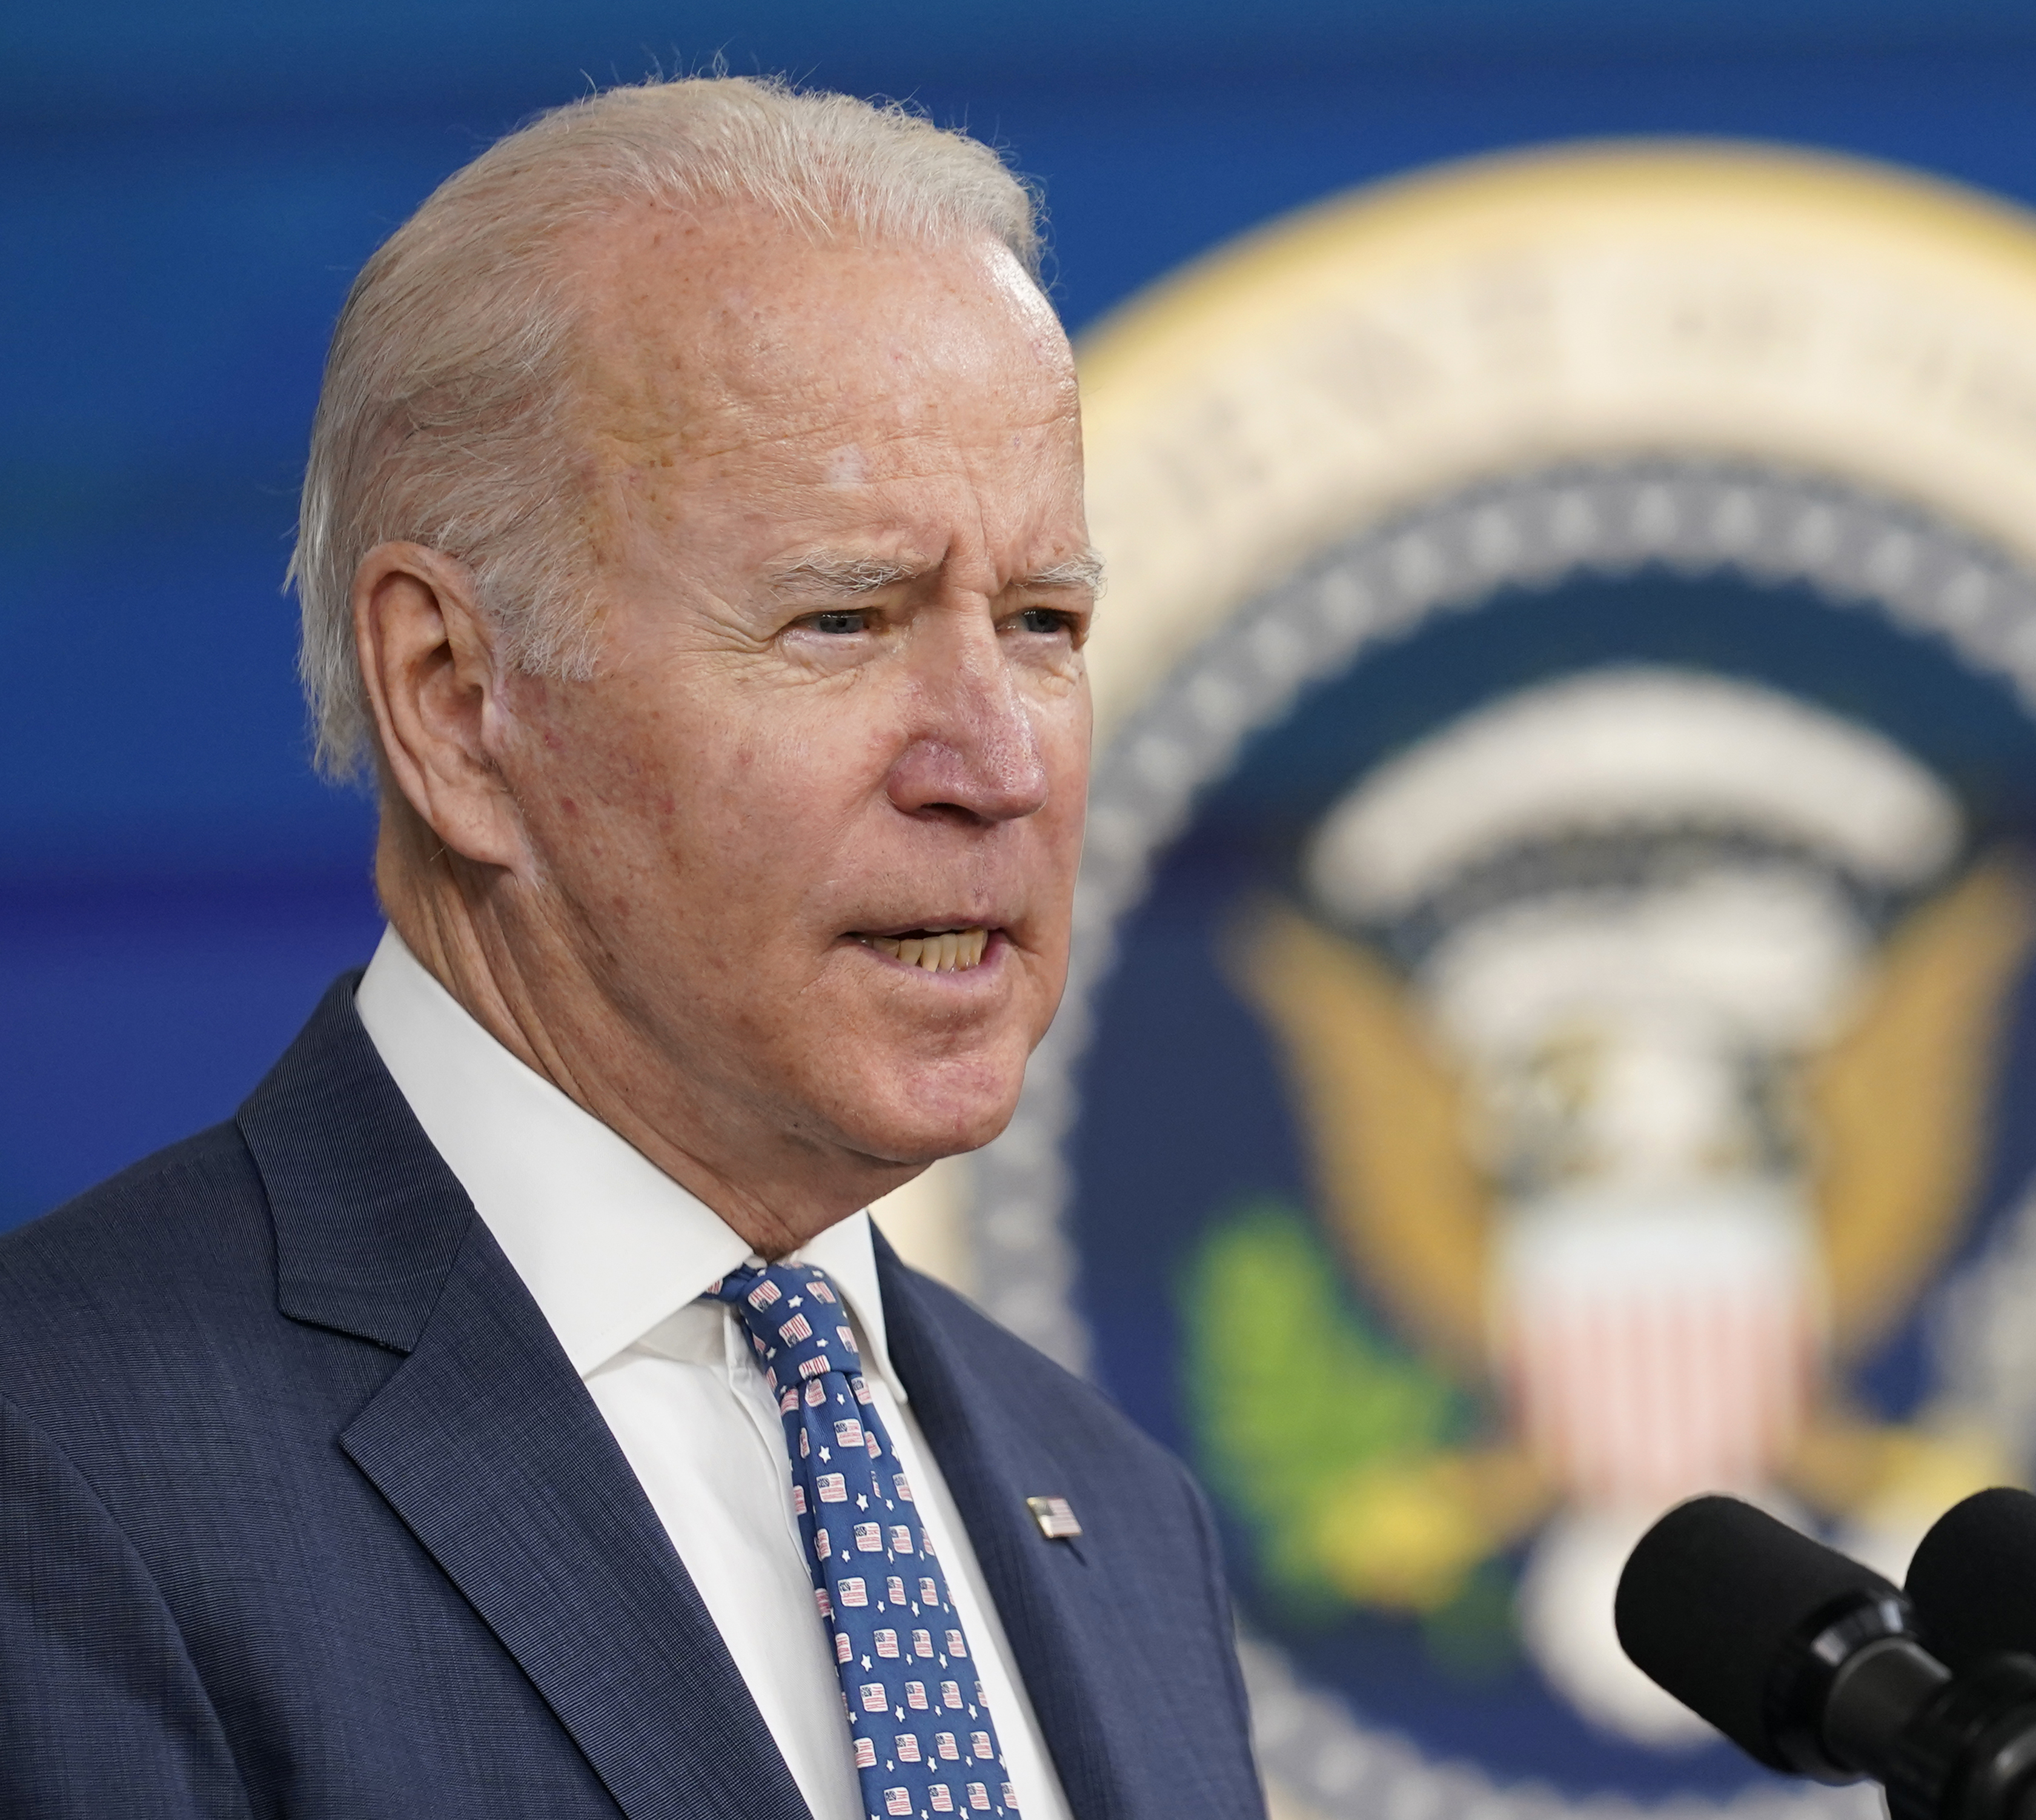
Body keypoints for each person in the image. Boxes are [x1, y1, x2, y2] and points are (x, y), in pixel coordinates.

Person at [0, 77, 1265, 1820]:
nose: (1000, 761)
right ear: (455, 702)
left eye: (1043, 622)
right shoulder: (62, 1473)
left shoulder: (1114, 1509)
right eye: (843, 619)